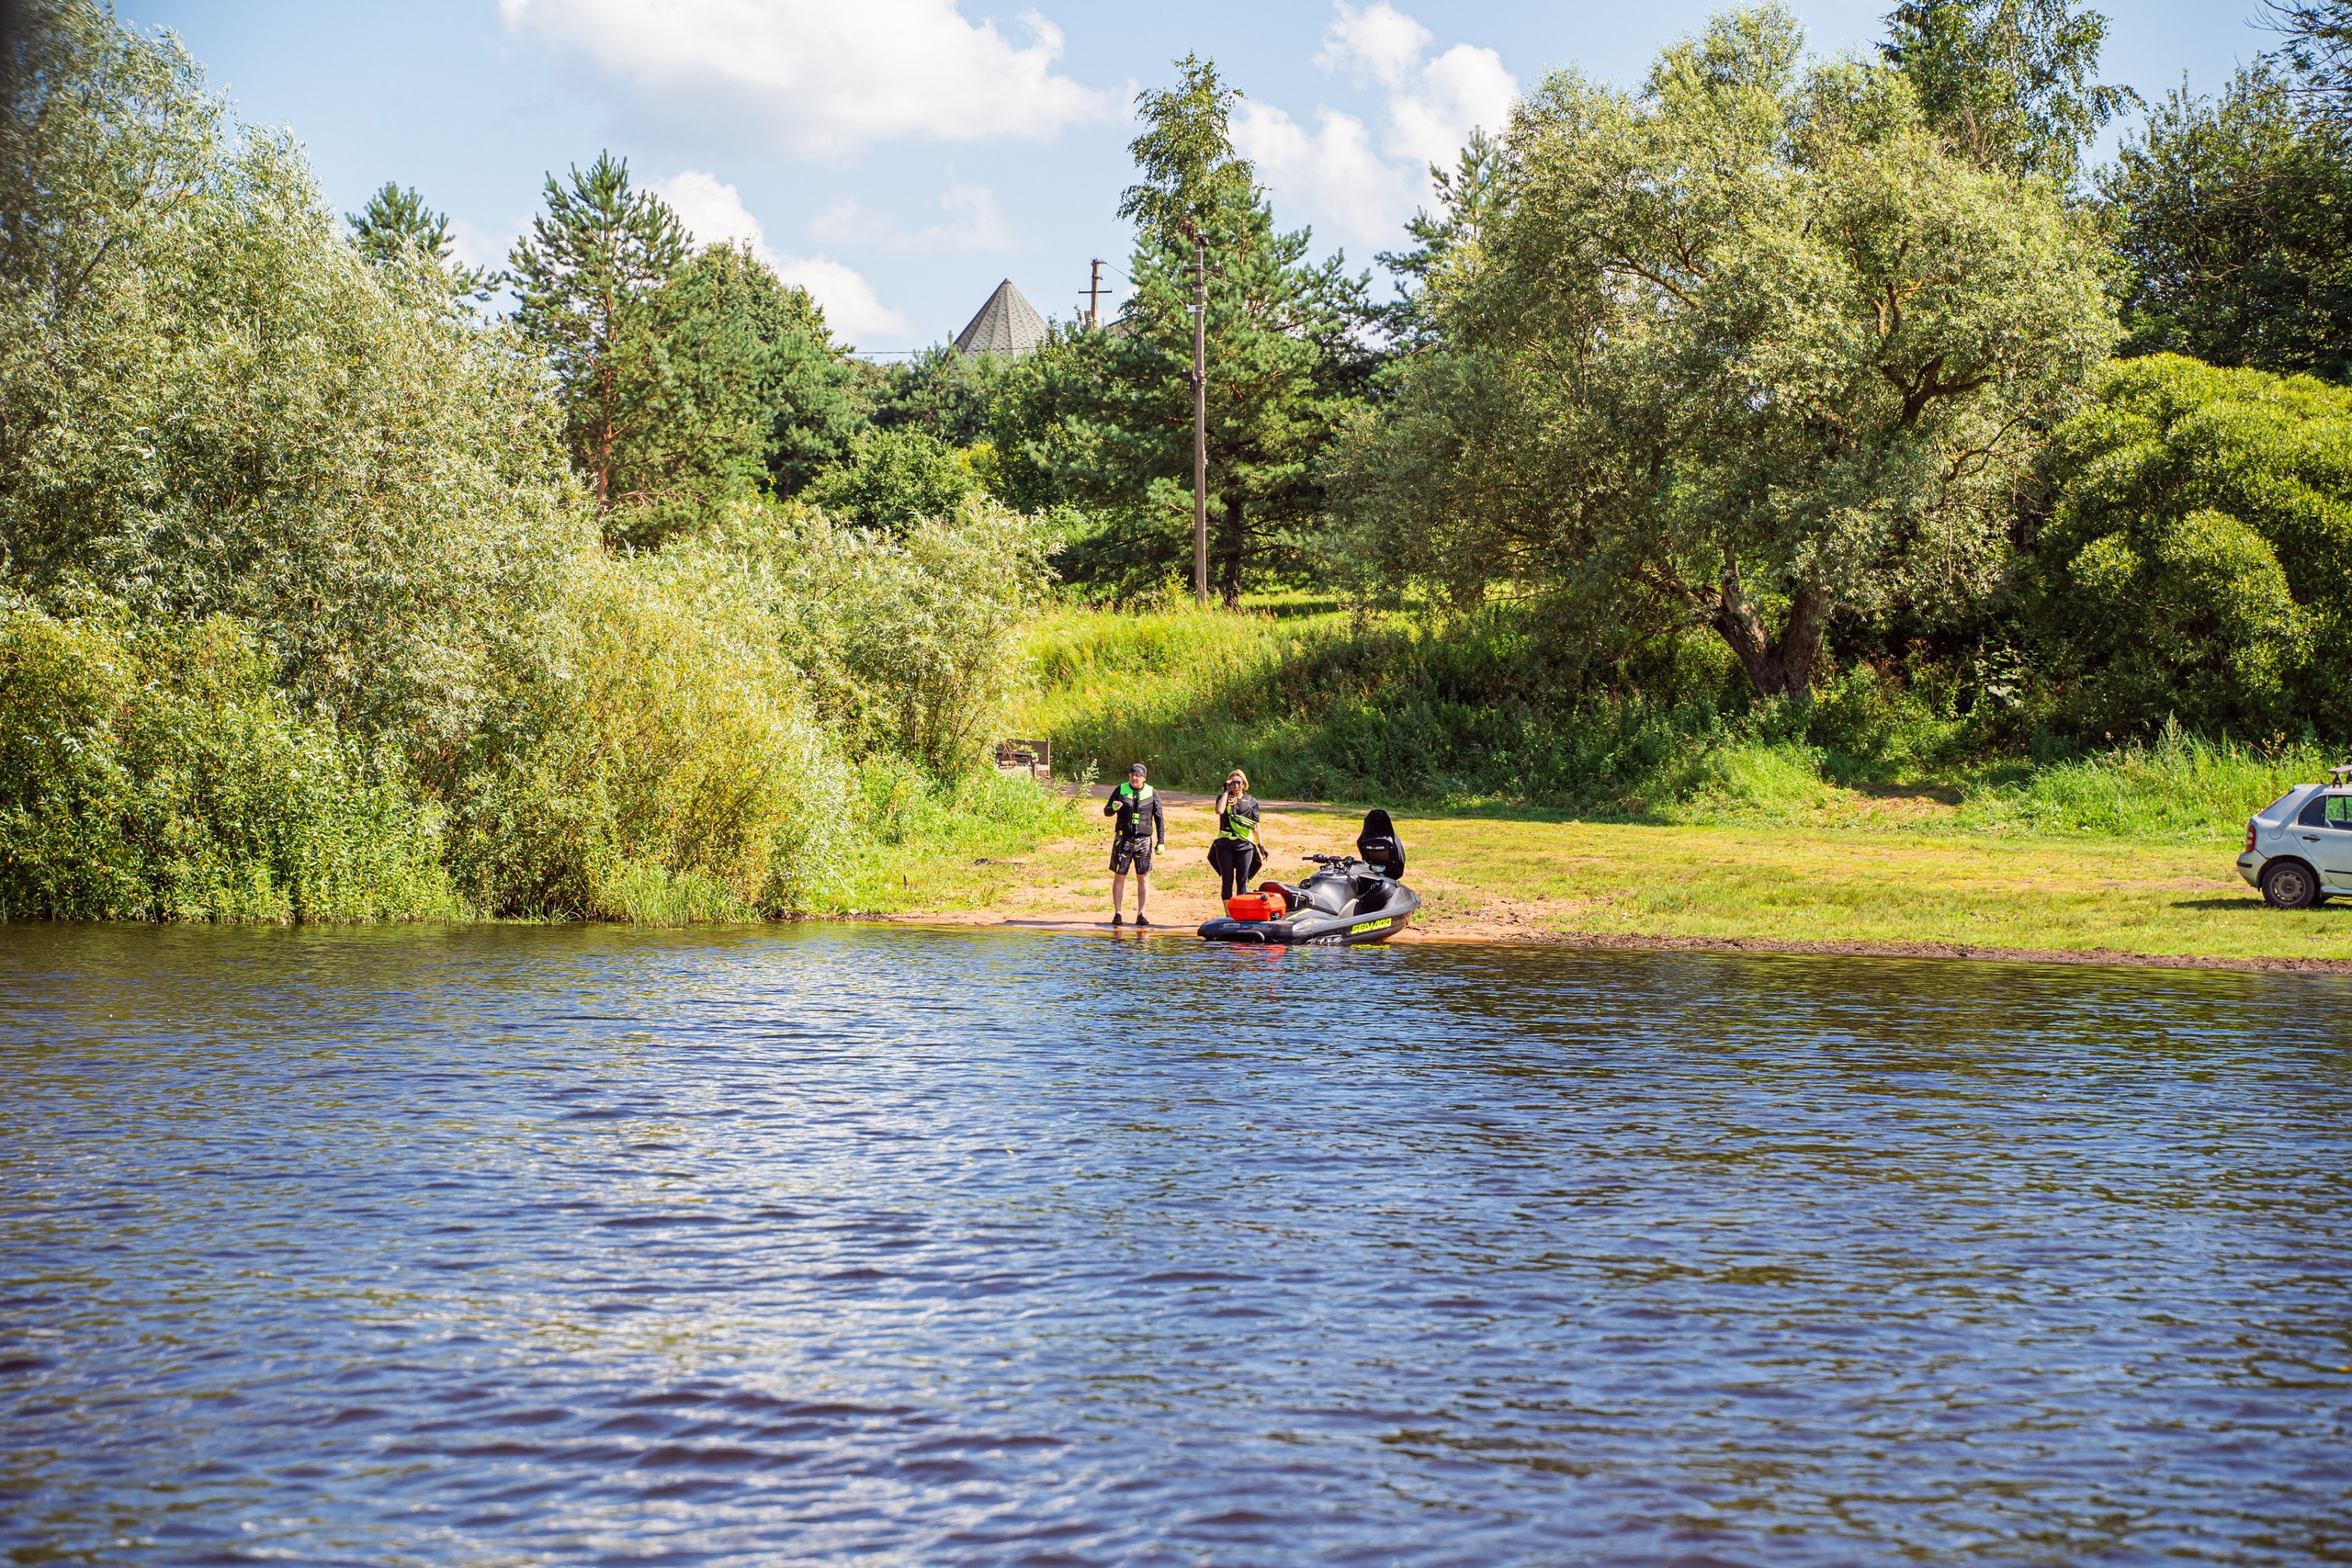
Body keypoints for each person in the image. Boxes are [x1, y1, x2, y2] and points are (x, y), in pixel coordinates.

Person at [1103, 761, 1164, 927]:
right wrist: (1113, 808)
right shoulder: (1121, 789)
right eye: (1132, 775)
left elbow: (1159, 818)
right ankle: (1118, 913)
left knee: (1143, 877)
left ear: (1144, 778)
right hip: (1123, 840)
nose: (1134, 778)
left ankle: (1141, 914)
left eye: (1138, 775)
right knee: (1120, 876)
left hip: (1144, 840)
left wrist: (1161, 842)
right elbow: (1107, 811)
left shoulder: (1152, 792)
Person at [1206, 768, 1265, 900]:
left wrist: (1261, 846)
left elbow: (1256, 825)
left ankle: (1241, 913)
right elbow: (1219, 811)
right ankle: (1228, 915)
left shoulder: (1252, 802)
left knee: (1242, 881)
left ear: (1244, 783)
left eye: (1239, 782)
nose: (1236, 786)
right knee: (1227, 880)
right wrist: (1226, 791)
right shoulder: (1223, 798)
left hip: (1245, 845)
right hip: (1225, 844)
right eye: (1233, 783)